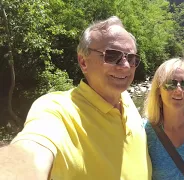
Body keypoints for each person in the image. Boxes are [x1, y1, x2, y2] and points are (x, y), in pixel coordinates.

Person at [0, 16, 152, 180]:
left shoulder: (126, 98)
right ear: (83, 62)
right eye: (112, 55)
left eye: (131, 58)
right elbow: (30, 151)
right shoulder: (58, 110)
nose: (125, 66)